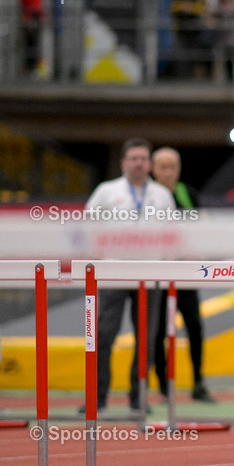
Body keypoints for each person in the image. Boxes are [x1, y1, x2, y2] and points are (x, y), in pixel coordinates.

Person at [82, 138, 176, 413]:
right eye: (133, 158)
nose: (138, 163)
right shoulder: (106, 191)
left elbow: (172, 233)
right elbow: (88, 225)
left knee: (147, 337)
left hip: (150, 272)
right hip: (113, 271)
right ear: (124, 162)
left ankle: (139, 395)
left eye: (143, 158)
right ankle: (97, 396)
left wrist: (168, 265)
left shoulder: (161, 194)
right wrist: (96, 259)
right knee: (103, 334)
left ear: (150, 163)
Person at [151, 147, 214, 403]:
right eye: (163, 167)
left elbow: (204, 226)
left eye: (172, 166)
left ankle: (199, 383)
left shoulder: (188, 194)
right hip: (158, 273)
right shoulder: (148, 197)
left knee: (195, 327)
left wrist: (199, 251)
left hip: (186, 274)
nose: (168, 172)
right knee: (157, 333)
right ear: (154, 169)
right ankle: (165, 386)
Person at [20, 0, 45, 78]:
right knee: (31, 43)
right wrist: (28, 19)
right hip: (30, 17)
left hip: (36, 17)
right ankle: (28, 69)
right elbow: (25, 5)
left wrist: (42, 16)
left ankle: (34, 68)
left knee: (36, 43)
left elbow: (39, 5)